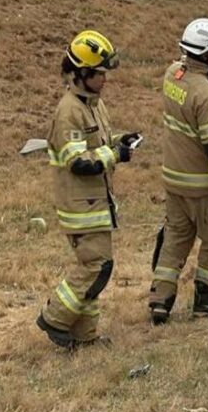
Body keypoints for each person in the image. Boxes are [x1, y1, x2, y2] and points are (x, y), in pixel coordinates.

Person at [36, 31, 140, 349]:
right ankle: (55, 318)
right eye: (98, 73)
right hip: (80, 206)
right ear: (81, 73)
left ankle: (84, 335)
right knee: (97, 267)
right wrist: (114, 155)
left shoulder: (93, 105)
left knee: (93, 267)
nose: (104, 79)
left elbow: (97, 144)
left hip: (97, 203)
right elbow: (77, 161)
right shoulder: (70, 111)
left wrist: (119, 142)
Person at [148, 18, 208, 325]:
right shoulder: (207, 96)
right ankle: (205, 300)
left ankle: (159, 300)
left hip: (173, 180)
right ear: (207, 53)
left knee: (174, 239)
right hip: (202, 187)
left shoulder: (173, 75)